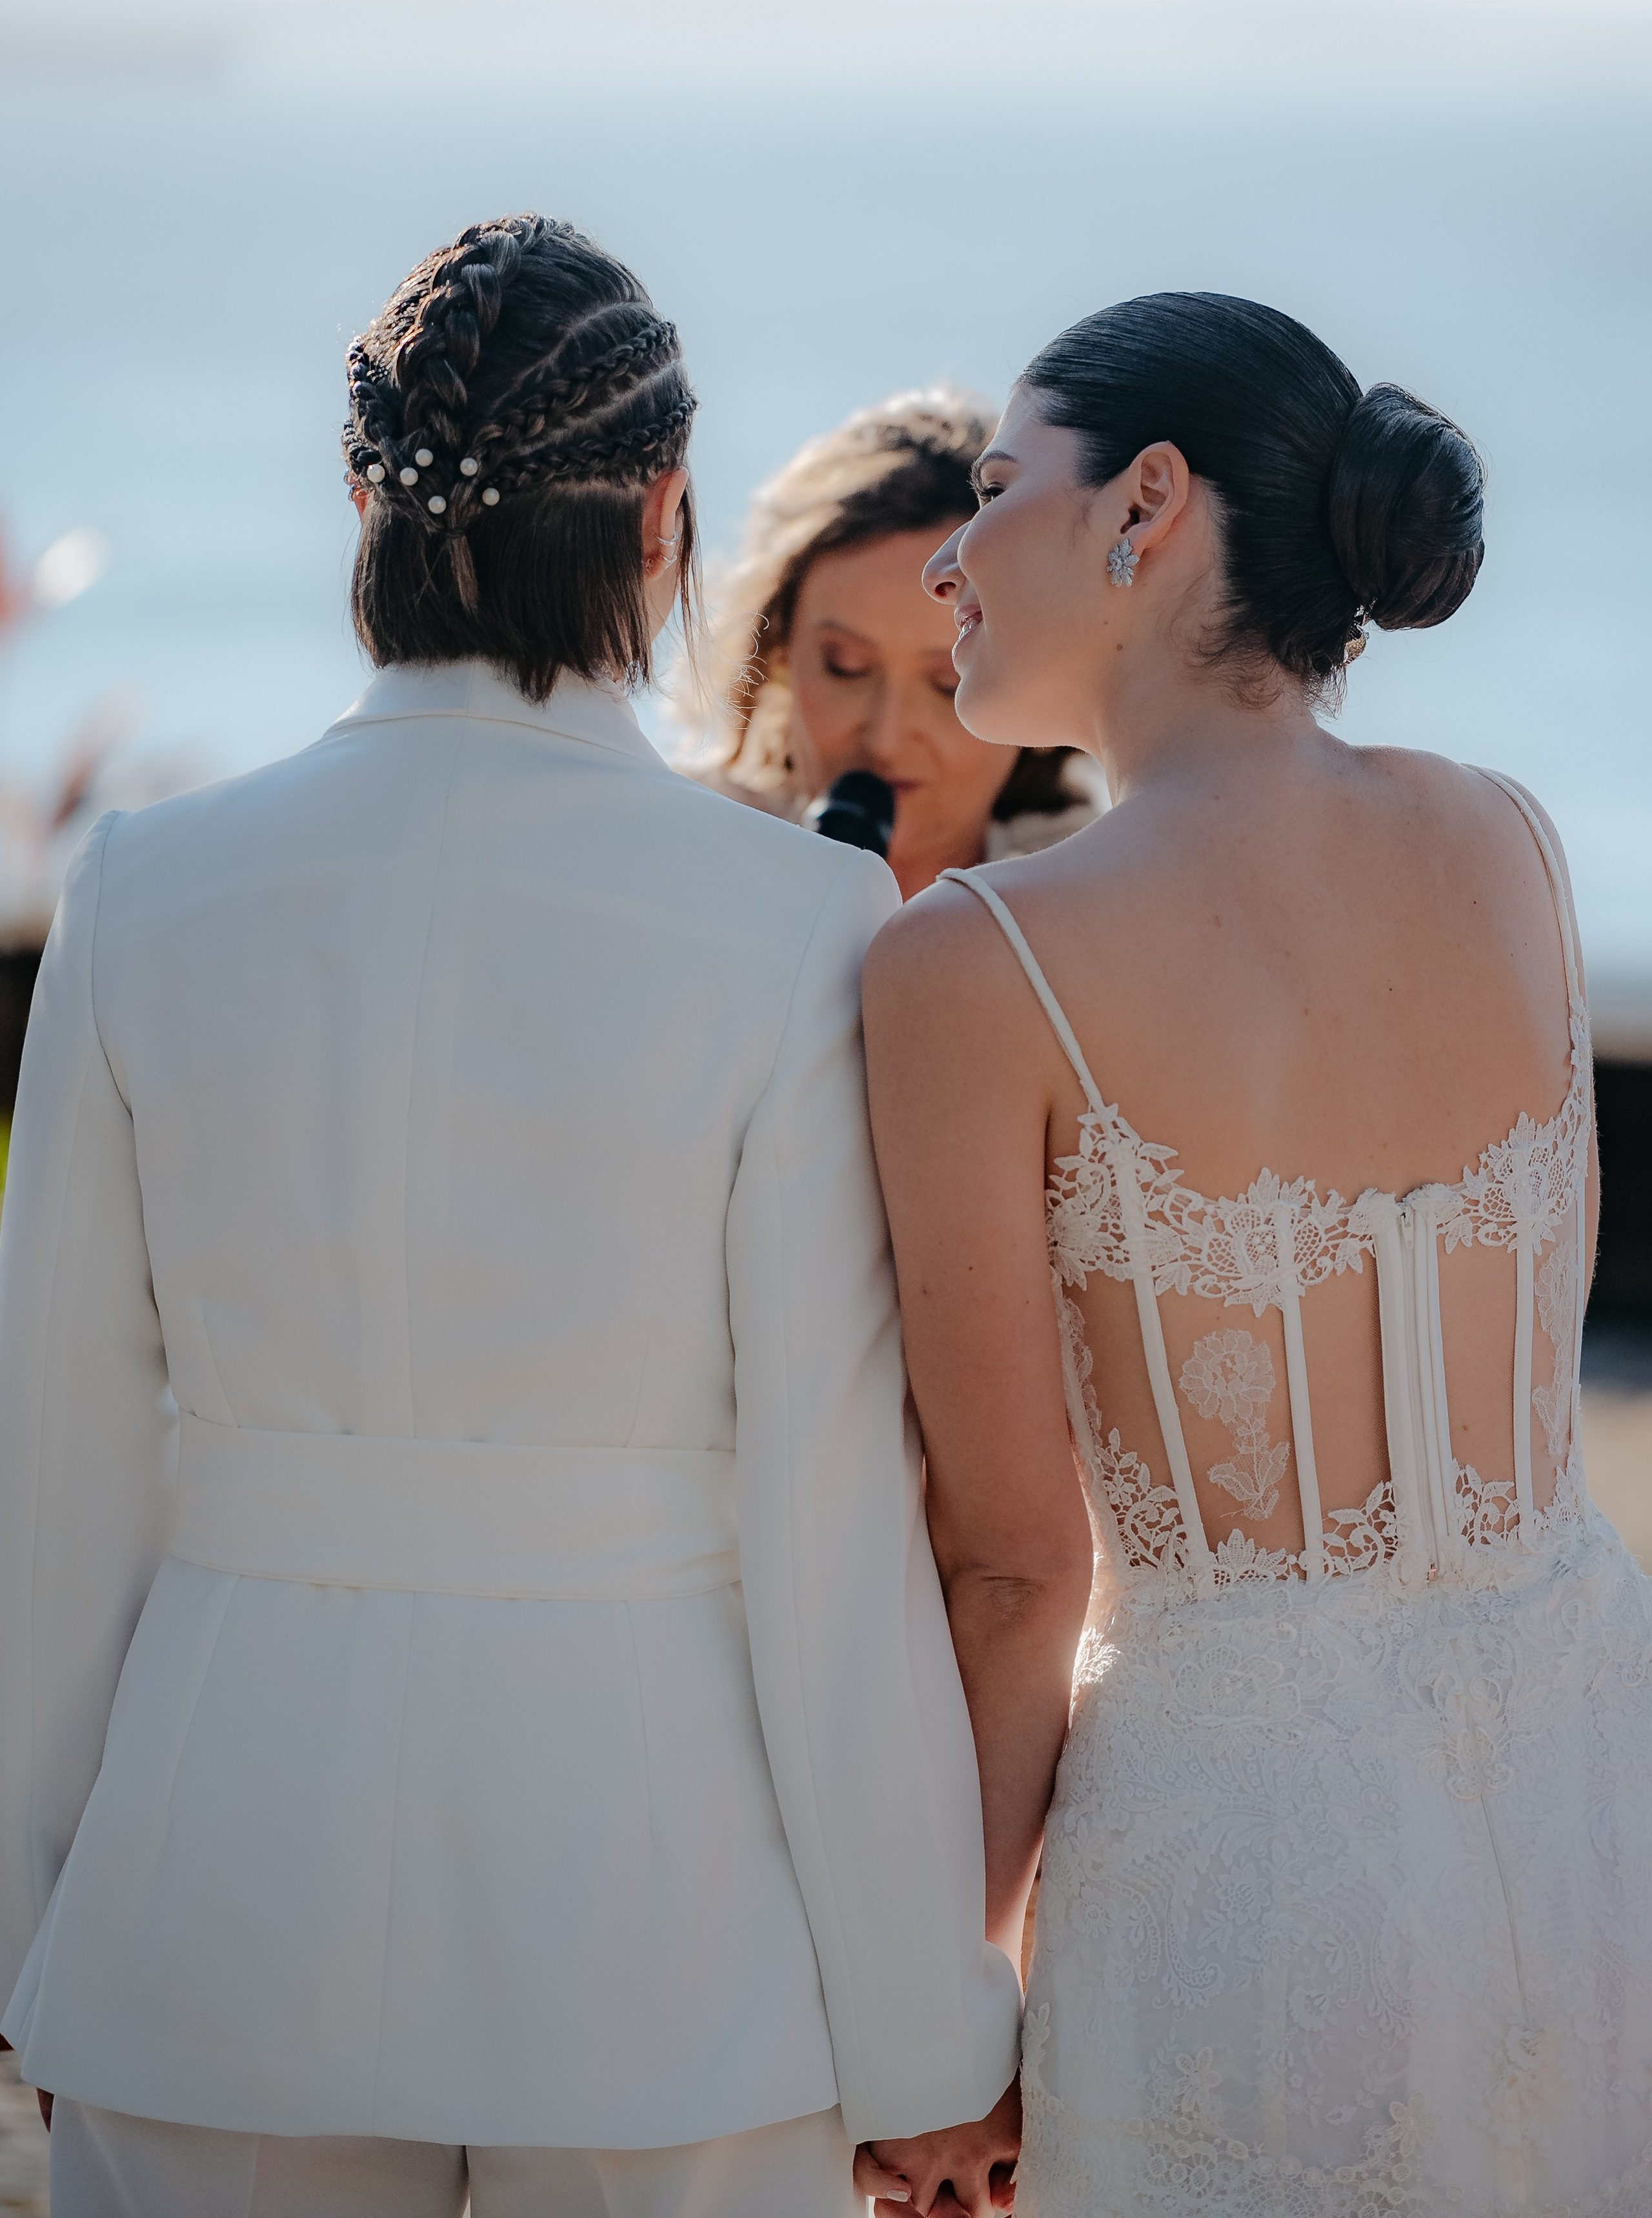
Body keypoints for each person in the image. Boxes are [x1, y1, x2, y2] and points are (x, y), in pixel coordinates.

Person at [0, 214, 1020, 2217]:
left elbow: (57, 1476)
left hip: (216, 1880)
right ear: (662, 516)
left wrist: (26, 1916)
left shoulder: (139, 891)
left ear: (361, 501)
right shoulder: (790, 924)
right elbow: (825, 1530)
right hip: (656, 1914)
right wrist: (919, 2027)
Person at [859, 293, 1652, 2213]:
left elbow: (1011, 1566)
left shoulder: (981, 959)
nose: (950, 562)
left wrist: (938, 2013)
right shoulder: (1514, 842)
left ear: (1147, 503)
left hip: (1249, 1861)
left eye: (989, 491)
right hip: (1585, 1780)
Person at [689, 389, 1099, 898]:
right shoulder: (685, 853)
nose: (886, 740)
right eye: (846, 667)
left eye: (950, 682)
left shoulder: (1113, 903)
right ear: (778, 653)